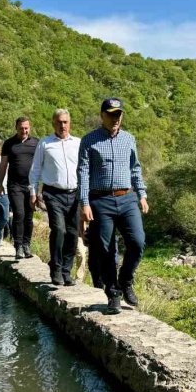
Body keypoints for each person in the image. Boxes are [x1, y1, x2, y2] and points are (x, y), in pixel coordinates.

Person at [77, 98, 148, 315]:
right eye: (111, 114)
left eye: (118, 114)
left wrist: (142, 195)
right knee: (105, 248)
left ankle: (126, 280)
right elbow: (83, 173)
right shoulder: (89, 141)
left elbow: (135, 168)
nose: (115, 118)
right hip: (100, 201)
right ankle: (113, 292)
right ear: (102, 115)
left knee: (137, 241)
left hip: (127, 198)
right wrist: (84, 203)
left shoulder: (129, 139)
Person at [30, 109, 80, 286]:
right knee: (59, 230)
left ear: (70, 123)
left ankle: (66, 272)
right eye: (59, 122)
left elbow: (84, 169)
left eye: (65, 122)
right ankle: (56, 268)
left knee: (73, 234)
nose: (62, 125)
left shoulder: (78, 143)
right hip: (53, 193)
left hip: (74, 194)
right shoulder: (45, 143)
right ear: (53, 123)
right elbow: (35, 169)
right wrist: (33, 192)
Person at [0, 117, 39, 260]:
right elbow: (3, 165)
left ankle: (27, 245)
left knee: (29, 217)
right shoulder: (9, 144)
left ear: (30, 127)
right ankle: (18, 246)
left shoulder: (36, 143)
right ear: (16, 127)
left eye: (26, 128)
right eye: (21, 128)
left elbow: (42, 165)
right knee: (19, 214)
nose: (24, 130)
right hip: (14, 185)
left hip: (31, 186)